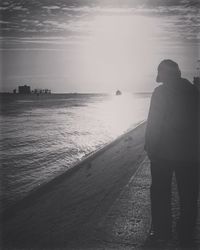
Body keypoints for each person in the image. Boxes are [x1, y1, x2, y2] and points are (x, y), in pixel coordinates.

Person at [145, 59, 199, 247]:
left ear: (163, 74)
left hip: (163, 154)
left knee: (160, 193)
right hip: (190, 155)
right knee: (189, 195)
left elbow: (154, 123)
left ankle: (162, 232)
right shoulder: (194, 91)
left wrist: (150, 147)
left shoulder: (160, 92)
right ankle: (185, 233)